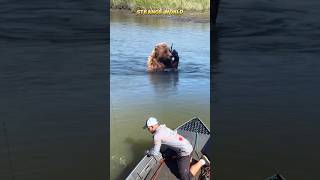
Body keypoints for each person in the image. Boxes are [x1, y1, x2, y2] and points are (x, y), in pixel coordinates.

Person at [143, 117, 210, 180]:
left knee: (185, 177)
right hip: (188, 145)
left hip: (185, 152)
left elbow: (155, 152)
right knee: (171, 154)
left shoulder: (157, 136)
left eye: (148, 128)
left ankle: (203, 161)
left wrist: (147, 152)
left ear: (152, 126)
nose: (148, 130)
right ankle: (188, 160)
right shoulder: (163, 127)